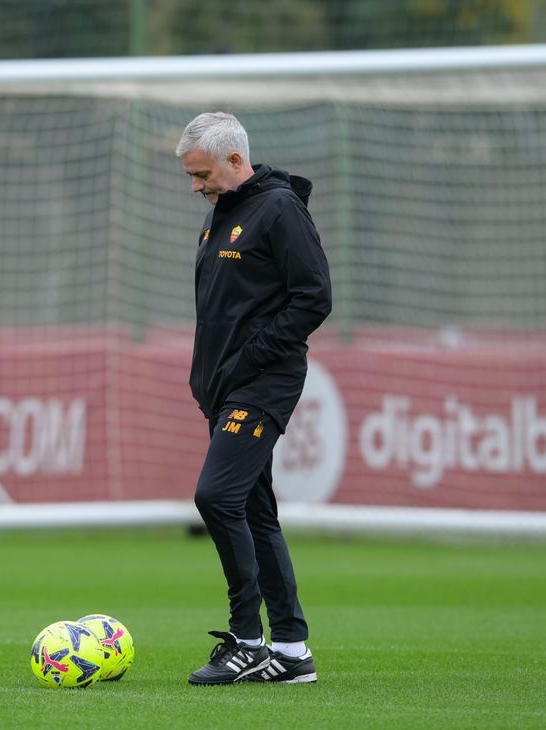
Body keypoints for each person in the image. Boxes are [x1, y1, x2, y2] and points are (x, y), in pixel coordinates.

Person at [176, 112, 331, 685]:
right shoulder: (222, 216)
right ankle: (292, 653)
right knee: (256, 509)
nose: (196, 187)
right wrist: (210, 377)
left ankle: (247, 640)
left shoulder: (280, 210)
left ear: (236, 161)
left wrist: (249, 358)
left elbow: (313, 298)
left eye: (202, 174)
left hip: (263, 382)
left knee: (216, 496)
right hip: (222, 387)